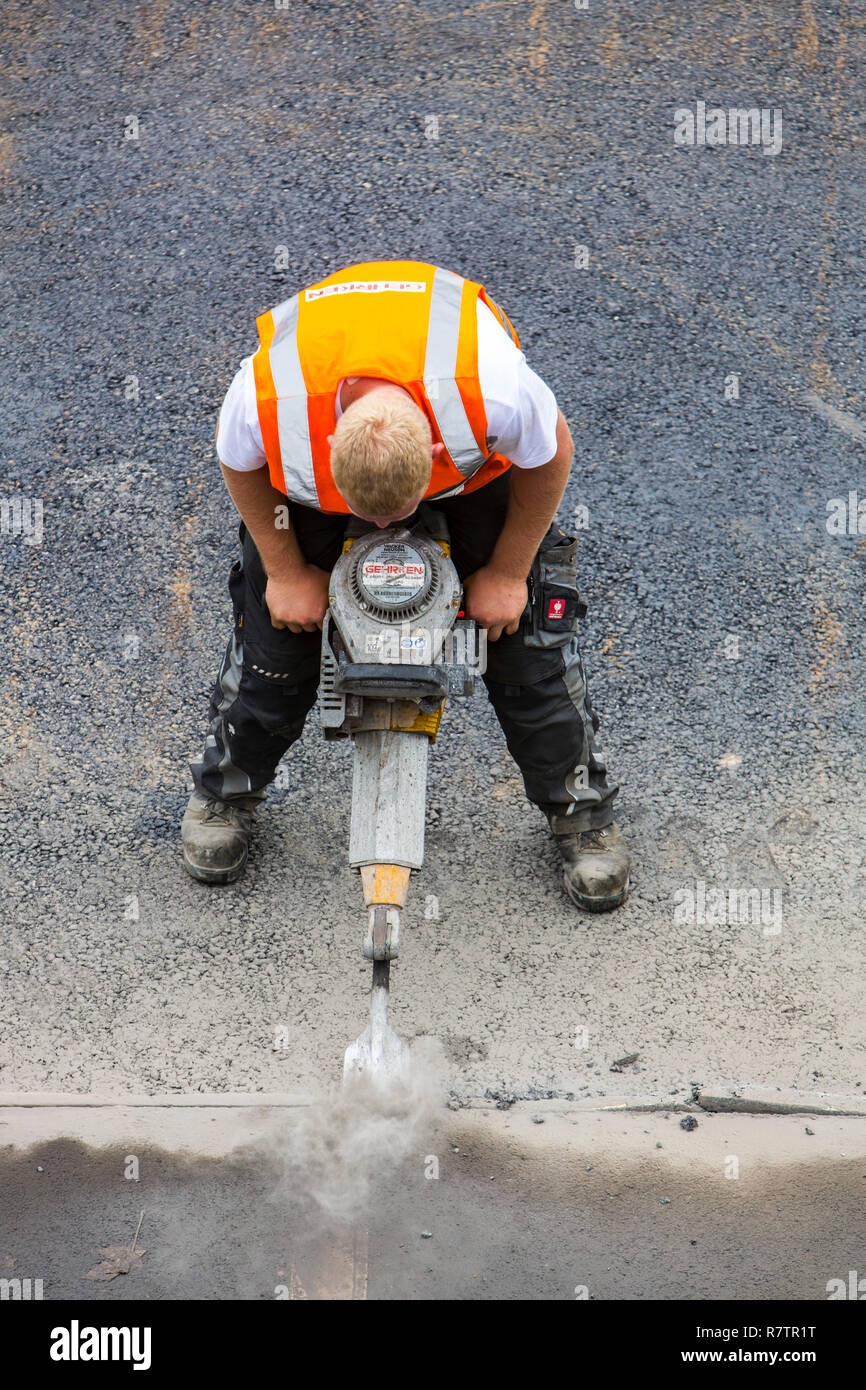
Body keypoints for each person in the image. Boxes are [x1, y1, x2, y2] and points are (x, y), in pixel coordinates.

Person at [182, 260, 630, 911]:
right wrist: (285, 573)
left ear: (435, 450)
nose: (388, 531)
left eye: (403, 514)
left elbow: (551, 452)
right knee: (276, 651)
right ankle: (224, 793)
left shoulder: (493, 388)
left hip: (472, 476)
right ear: (327, 446)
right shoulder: (267, 398)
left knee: (525, 646)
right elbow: (237, 460)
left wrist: (505, 573)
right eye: (375, 519)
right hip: (317, 485)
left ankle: (581, 815)